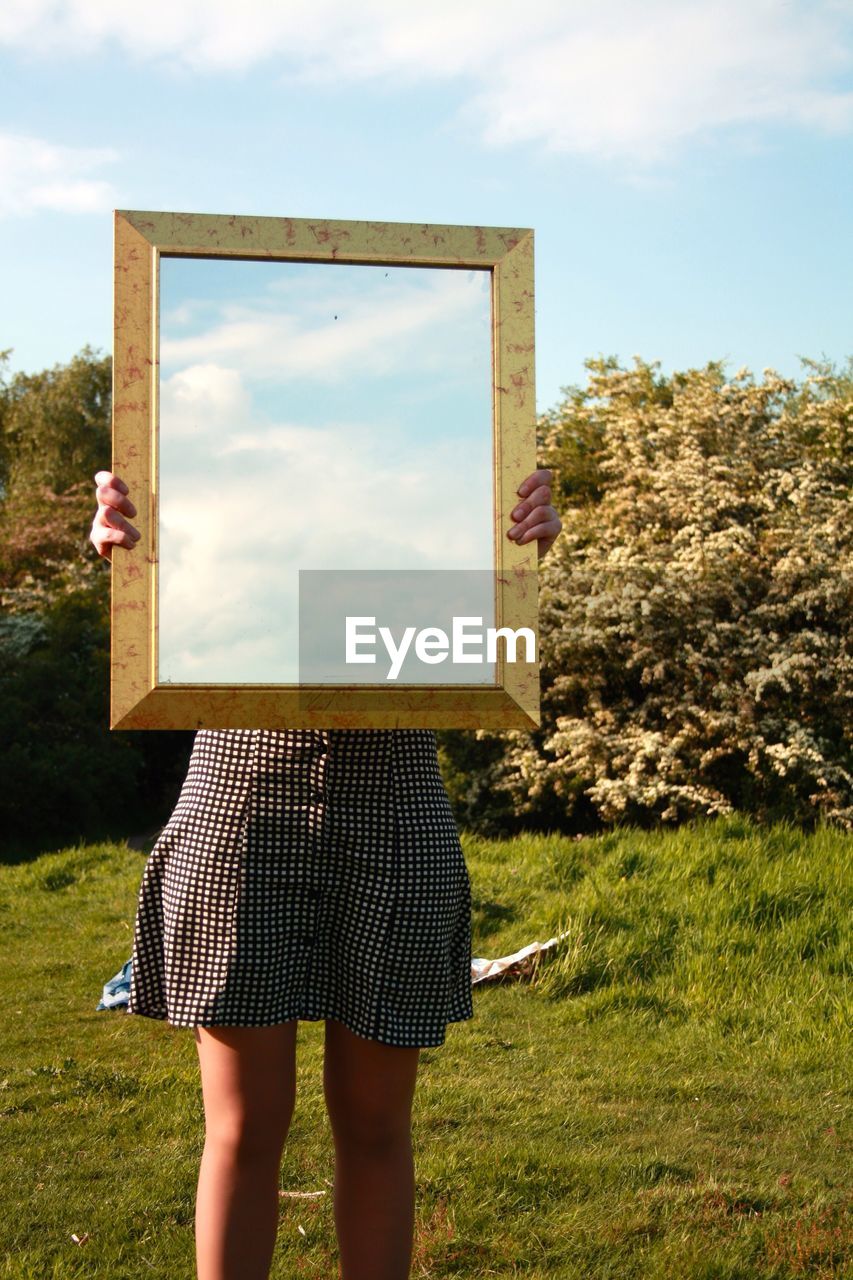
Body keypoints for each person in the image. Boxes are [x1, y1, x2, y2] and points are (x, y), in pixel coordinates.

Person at [90, 466, 562, 1280]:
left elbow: (467, 643)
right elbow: (187, 617)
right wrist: (131, 555)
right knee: (241, 1129)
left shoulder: (443, 452)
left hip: (396, 799)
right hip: (238, 800)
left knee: (378, 1127)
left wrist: (515, 559)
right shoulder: (211, 445)